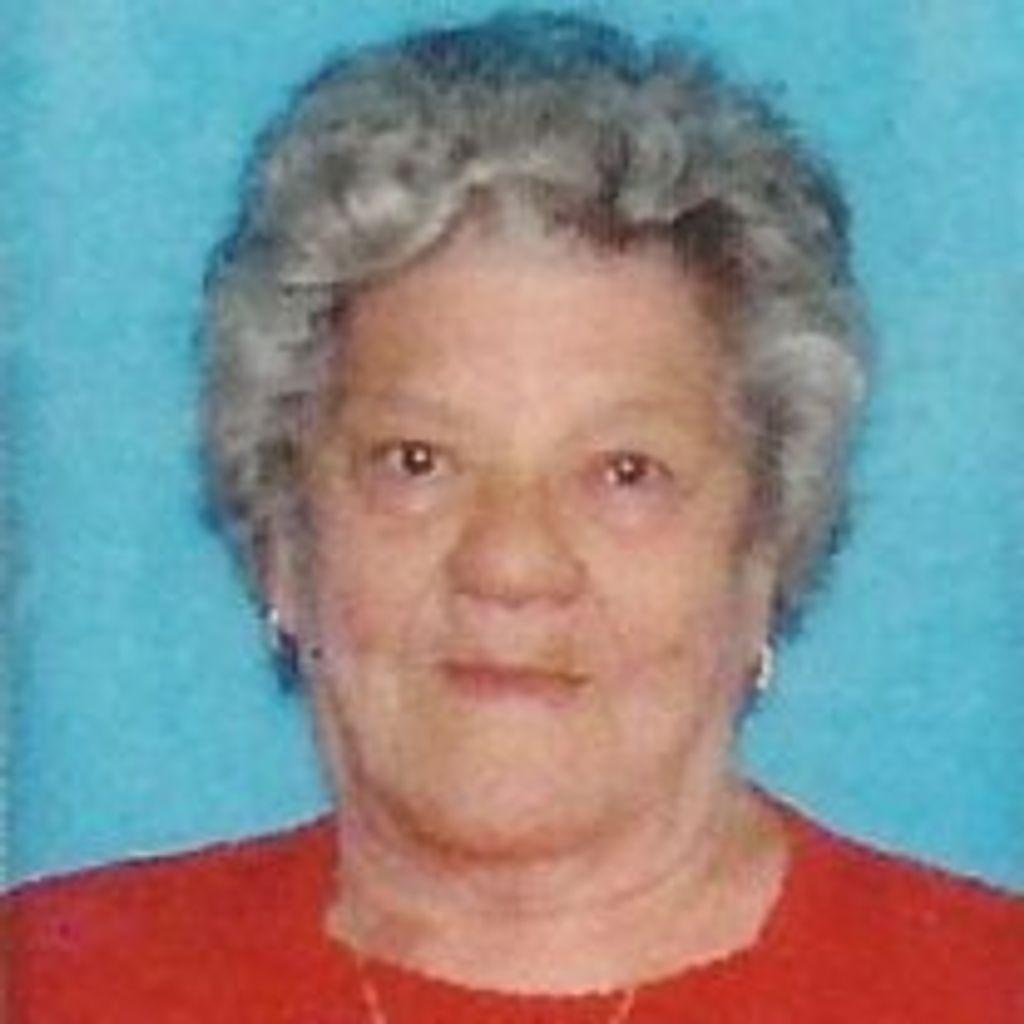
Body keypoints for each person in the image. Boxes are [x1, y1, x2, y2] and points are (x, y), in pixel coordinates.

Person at [7, 10, 1021, 1022]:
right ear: (282, 542)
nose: (510, 562)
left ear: (764, 553)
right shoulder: (53, 980)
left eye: (624, 473)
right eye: (417, 462)